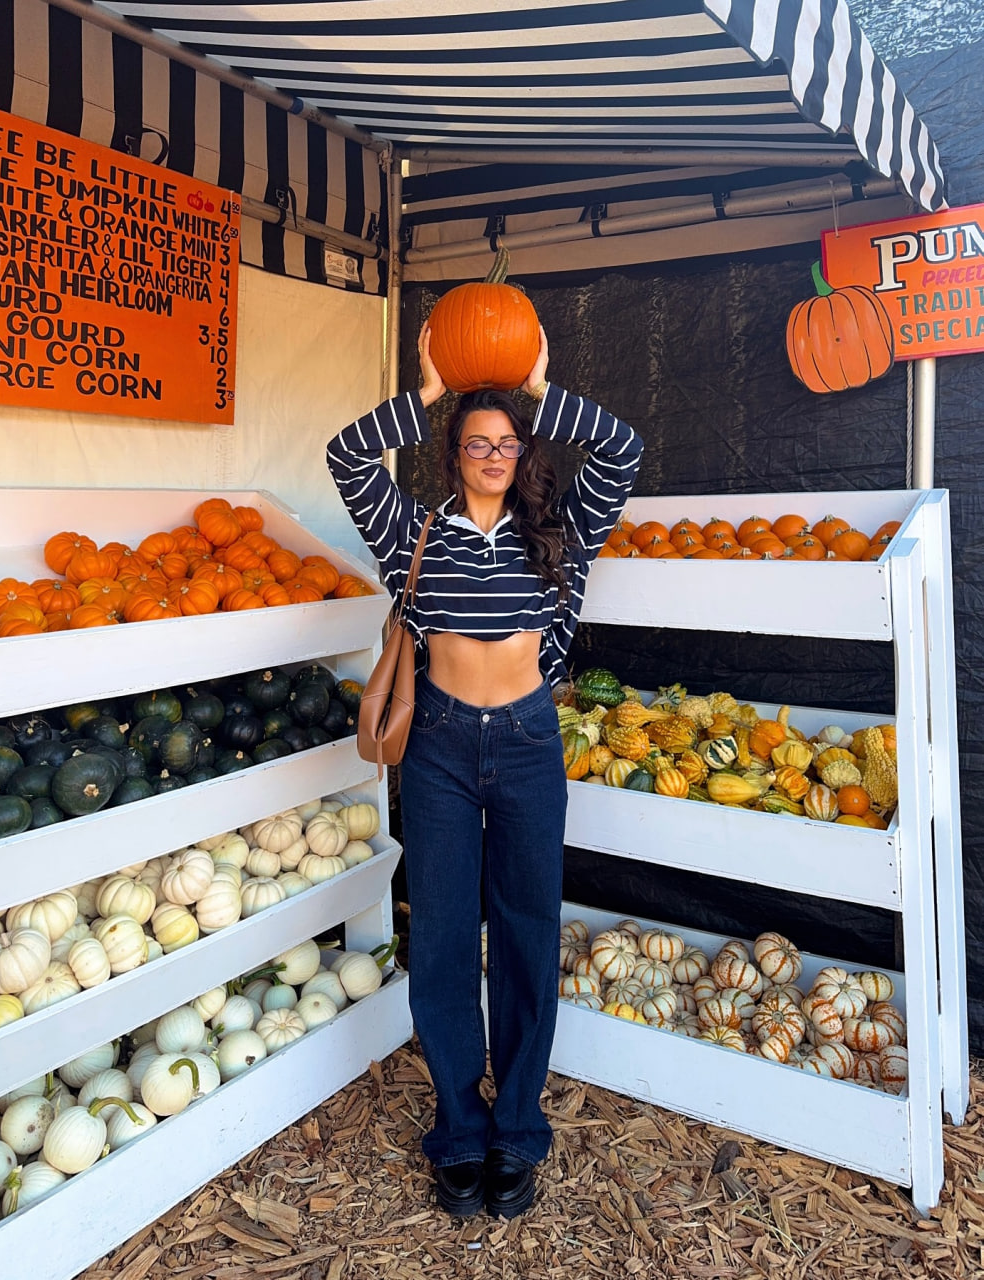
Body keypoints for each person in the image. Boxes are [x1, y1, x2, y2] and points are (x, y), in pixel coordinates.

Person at [326, 322, 643, 1218]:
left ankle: (518, 1130)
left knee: (526, 932)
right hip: (439, 749)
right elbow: (347, 455)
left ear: (523, 451)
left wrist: (538, 387)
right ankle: (459, 1131)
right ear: (455, 453)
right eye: (478, 442)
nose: (494, 455)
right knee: (441, 935)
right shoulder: (413, 532)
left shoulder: (561, 534)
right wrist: (430, 389)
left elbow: (626, 449)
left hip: (532, 743)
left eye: (508, 443)